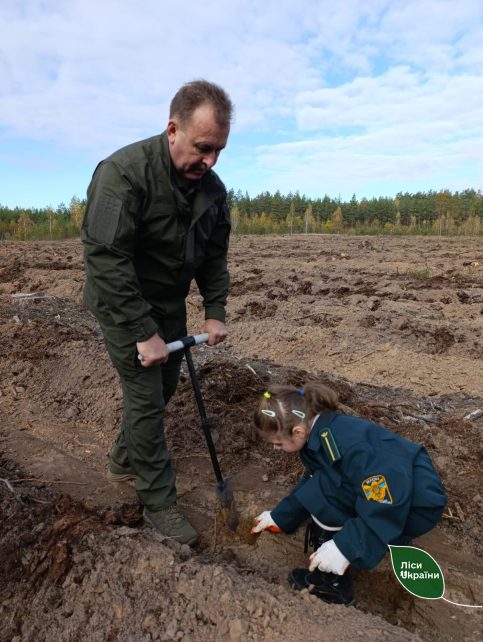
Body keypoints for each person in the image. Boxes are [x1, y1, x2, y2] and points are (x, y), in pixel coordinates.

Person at [81, 80, 234, 546]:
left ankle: (124, 459)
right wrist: (142, 331)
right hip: (122, 302)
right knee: (146, 395)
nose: (209, 160)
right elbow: (106, 259)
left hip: (167, 302)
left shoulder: (212, 191)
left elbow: (213, 256)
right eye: (203, 147)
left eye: (218, 150)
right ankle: (158, 500)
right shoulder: (123, 175)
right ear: (173, 130)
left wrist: (214, 310)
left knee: (166, 385)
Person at [251, 383, 446, 606]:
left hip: (417, 504)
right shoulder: (321, 433)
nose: (276, 449)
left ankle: (332, 584)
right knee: (326, 486)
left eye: (277, 444)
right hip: (404, 490)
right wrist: (280, 517)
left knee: (327, 498)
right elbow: (315, 479)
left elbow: (384, 499)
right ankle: (388, 535)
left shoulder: (343, 445)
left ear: (297, 432)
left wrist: (343, 548)